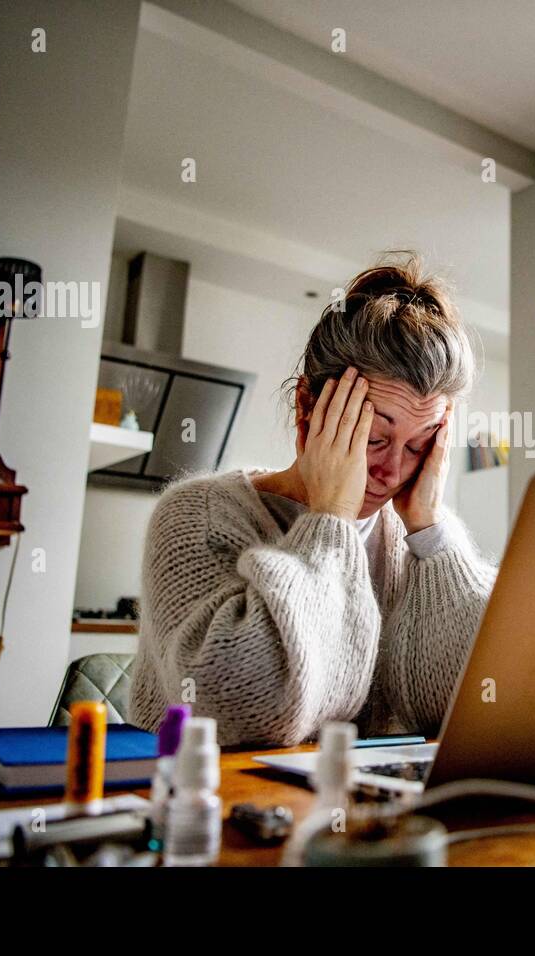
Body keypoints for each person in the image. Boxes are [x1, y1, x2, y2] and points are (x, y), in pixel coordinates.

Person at [129, 252, 498, 747]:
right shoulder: (196, 516)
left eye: (418, 445)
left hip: (370, 817)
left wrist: (431, 531)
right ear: (307, 406)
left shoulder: (415, 538)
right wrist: (331, 520)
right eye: (373, 437)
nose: (392, 471)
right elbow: (244, 712)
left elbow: (473, 705)